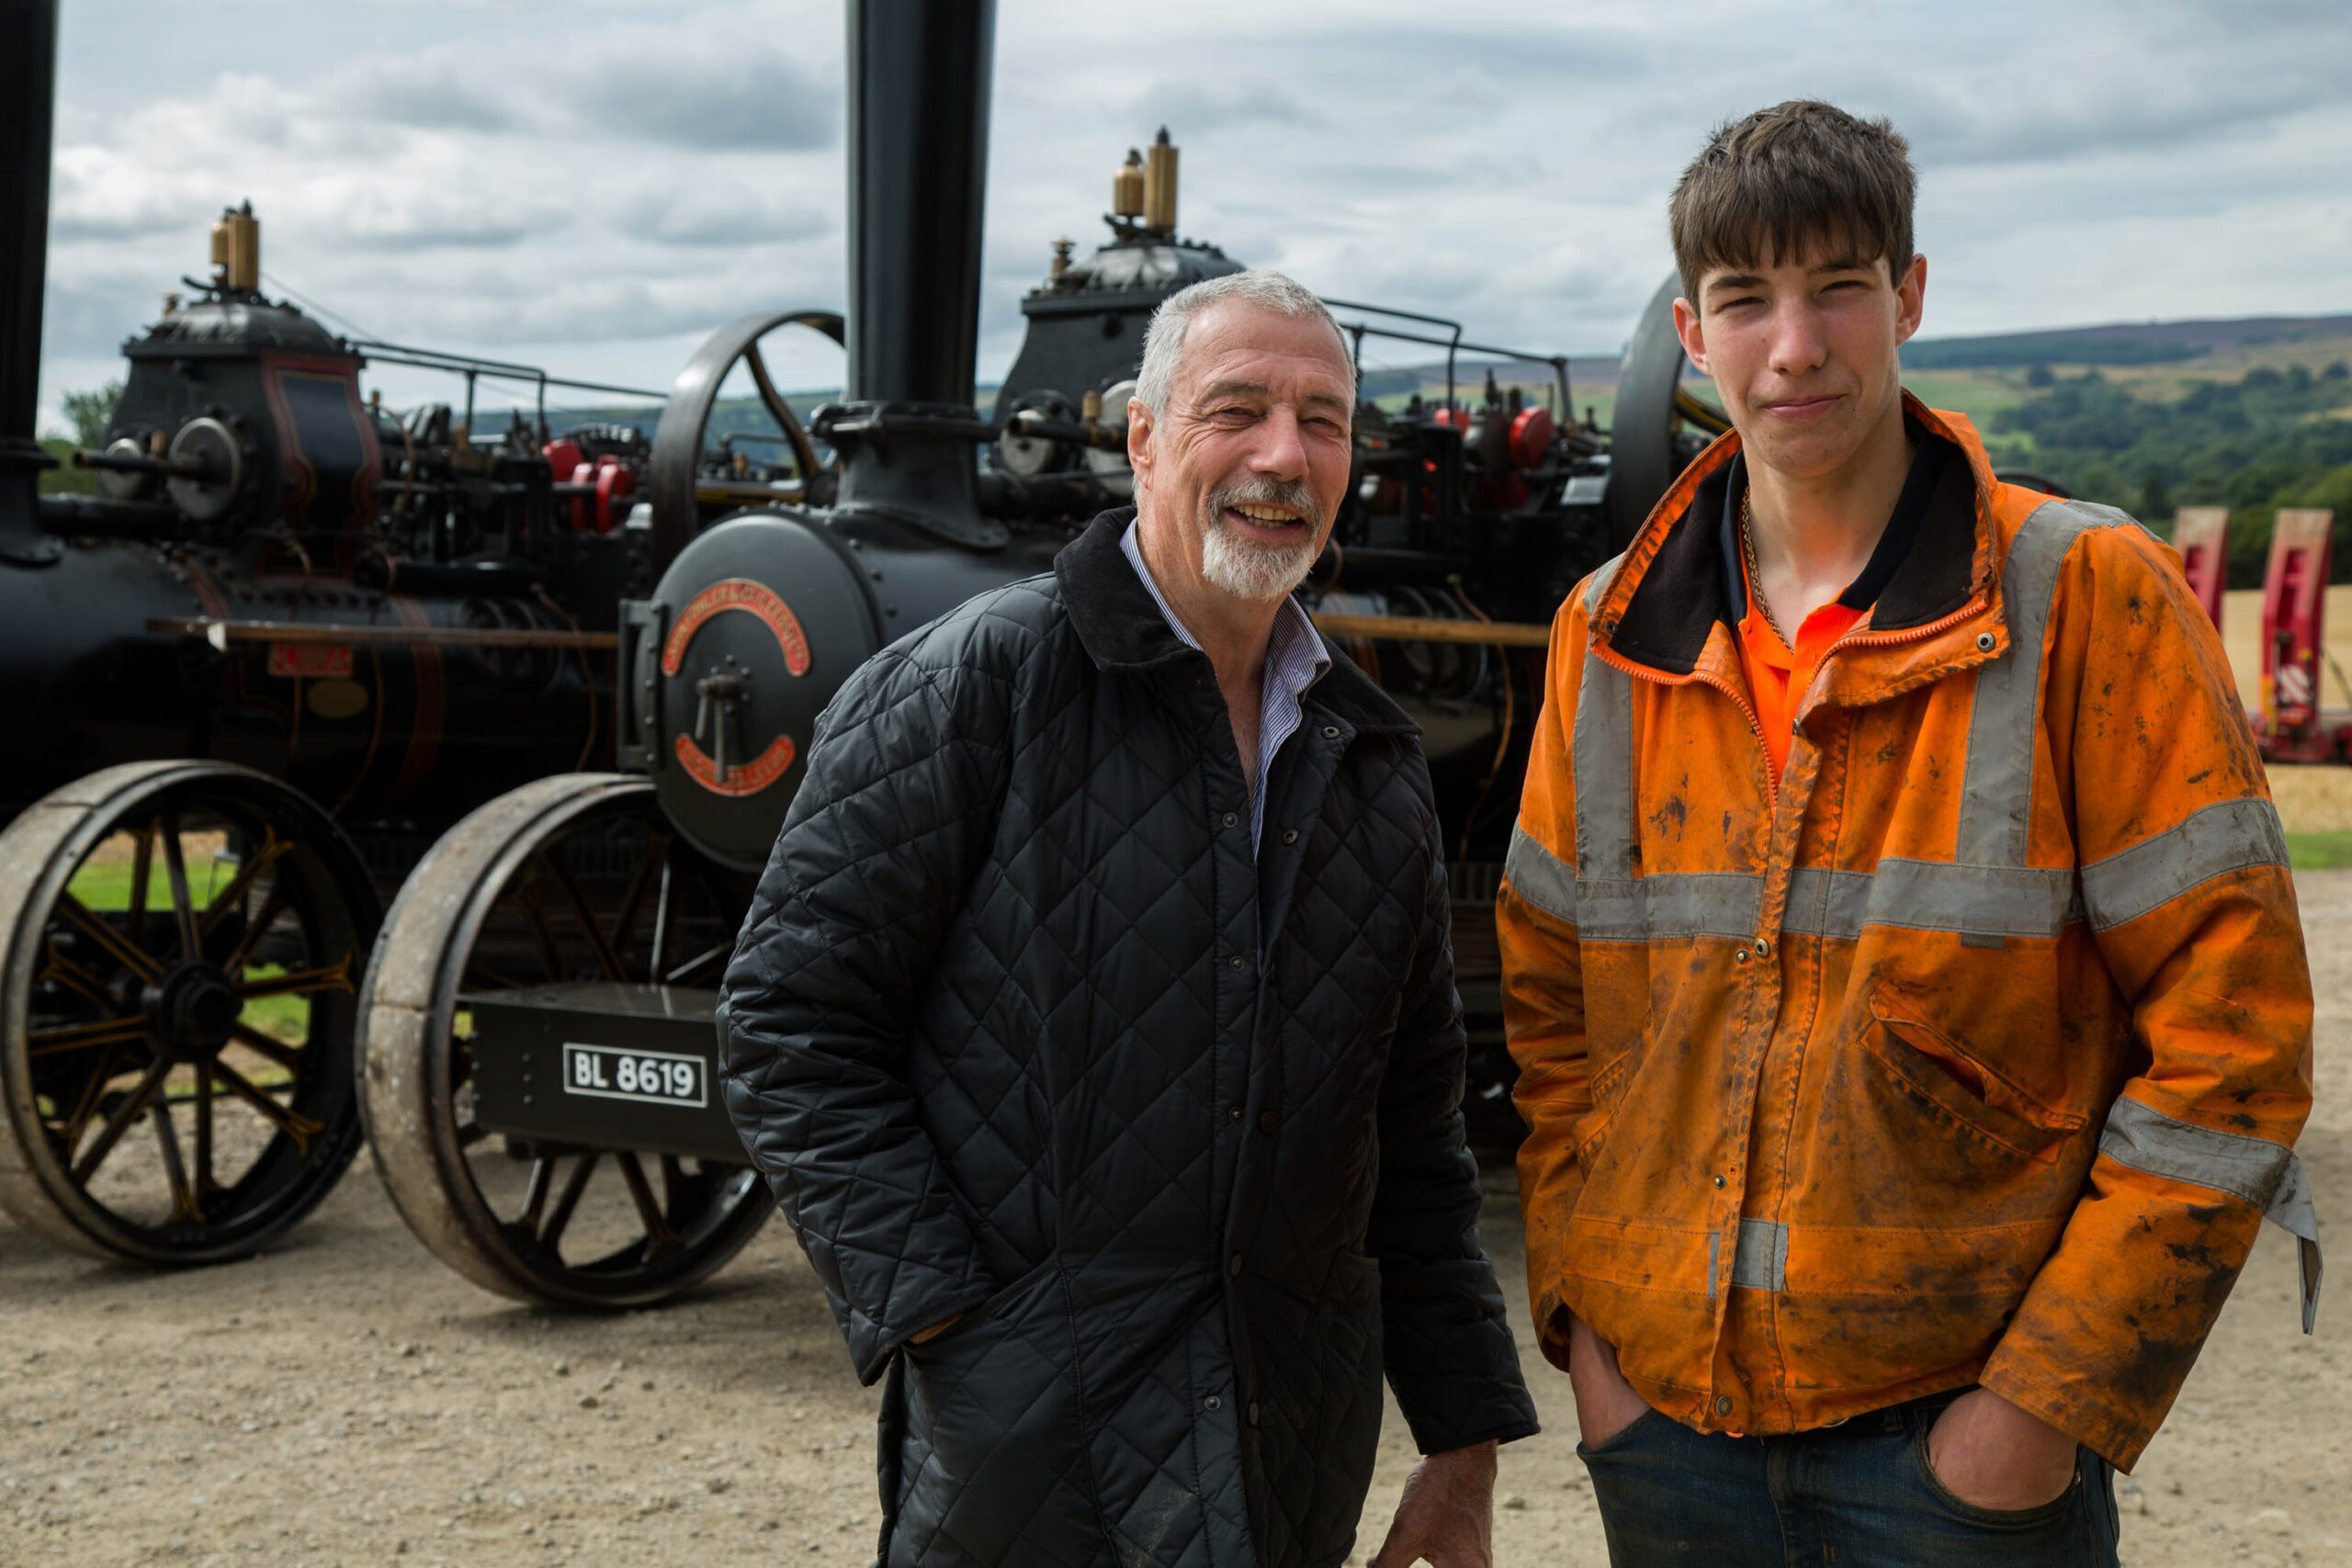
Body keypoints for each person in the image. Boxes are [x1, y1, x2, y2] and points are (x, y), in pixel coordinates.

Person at [1501, 100, 2318, 1564]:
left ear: (1912, 296)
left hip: (1956, 1461)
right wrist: (1589, 1326)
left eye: (1838, 289)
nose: (1794, 348)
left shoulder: (2087, 599)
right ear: (1694, 334)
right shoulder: (1606, 635)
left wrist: (2041, 1406)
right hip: (1669, 1441)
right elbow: (1552, 1014)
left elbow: (2233, 1042)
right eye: (1746, 302)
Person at [718, 268, 1538, 1568]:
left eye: (1323, 421)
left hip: (1289, 1451)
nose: (1284, 455)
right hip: (1026, 1463)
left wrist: (1463, 1442)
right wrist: (955, 1327)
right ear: (1143, 436)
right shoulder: (972, 685)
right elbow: (788, 1025)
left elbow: (1411, 1136)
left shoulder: (1370, 761)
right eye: (1238, 409)